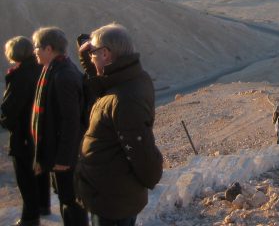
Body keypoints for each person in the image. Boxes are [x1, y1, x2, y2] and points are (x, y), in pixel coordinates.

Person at [75, 23, 163, 226]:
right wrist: (88, 62)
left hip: (113, 200)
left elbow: (140, 148)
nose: (91, 57)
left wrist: (150, 179)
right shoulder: (131, 78)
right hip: (112, 194)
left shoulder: (124, 99)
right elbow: (105, 90)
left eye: (93, 53)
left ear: (106, 54)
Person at [31, 27, 88, 226]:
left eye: (37, 47)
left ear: (48, 48)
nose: (34, 51)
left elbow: (71, 121)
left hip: (67, 156)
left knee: (71, 201)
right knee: (65, 198)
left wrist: (64, 158)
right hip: (61, 153)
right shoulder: (53, 70)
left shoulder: (63, 76)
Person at [1, 36, 51, 226]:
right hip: (41, 130)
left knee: (25, 175)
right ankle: (43, 206)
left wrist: (6, 122)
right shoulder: (41, 69)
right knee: (40, 169)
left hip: (23, 133)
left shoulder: (20, 75)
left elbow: (11, 109)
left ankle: (30, 217)